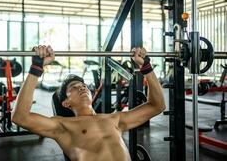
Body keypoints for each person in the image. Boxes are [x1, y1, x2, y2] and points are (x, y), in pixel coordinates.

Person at [12, 45, 166, 161]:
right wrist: (36, 68)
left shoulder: (114, 119)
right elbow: (20, 117)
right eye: (74, 87)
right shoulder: (63, 126)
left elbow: (157, 106)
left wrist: (146, 67)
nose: (82, 88)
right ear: (66, 103)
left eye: (84, 86)